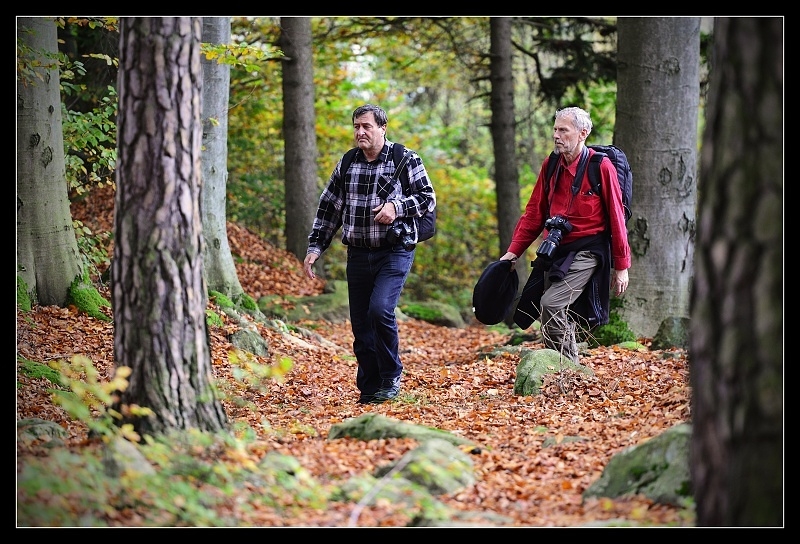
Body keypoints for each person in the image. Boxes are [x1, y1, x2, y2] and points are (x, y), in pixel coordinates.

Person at [303, 104, 436, 404]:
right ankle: (370, 386)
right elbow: (330, 207)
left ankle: (391, 377)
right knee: (361, 325)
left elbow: (427, 198)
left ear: (382, 128)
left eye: (367, 126)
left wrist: (396, 207)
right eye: (356, 126)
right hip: (358, 254)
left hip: (394, 251)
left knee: (380, 310)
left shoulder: (405, 159)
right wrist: (315, 247)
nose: (360, 132)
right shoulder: (348, 162)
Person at [500, 106, 631, 363]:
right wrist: (513, 252)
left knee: (551, 303)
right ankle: (560, 368)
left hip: (588, 250)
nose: (556, 135)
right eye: (555, 129)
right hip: (555, 248)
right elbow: (534, 214)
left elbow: (617, 217)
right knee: (543, 307)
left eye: (563, 130)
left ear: (582, 133)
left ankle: (568, 370)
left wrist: (621, 265)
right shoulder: (551, 165)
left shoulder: (601, 167)